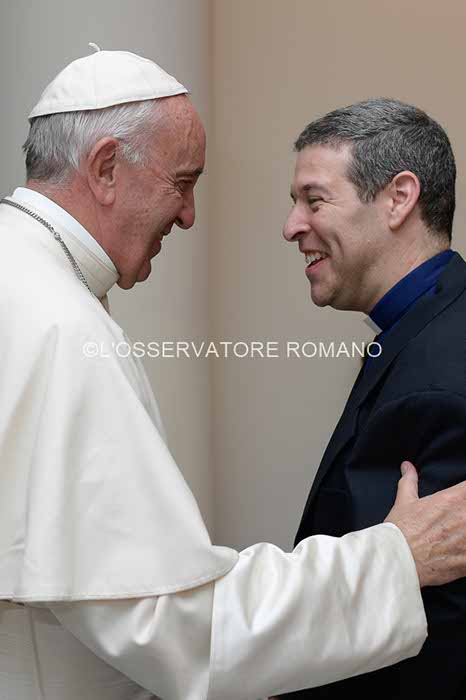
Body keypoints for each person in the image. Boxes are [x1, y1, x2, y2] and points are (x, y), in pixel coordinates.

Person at [0, 50, 466, 700]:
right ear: (106, 167)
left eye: (314, 200)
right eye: (182, 182)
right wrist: (396, 561)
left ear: (399, 199)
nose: (189, 215)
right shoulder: (56, 323)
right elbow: (176, 628)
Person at [281, 98, 466, 700]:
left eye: (314, 200)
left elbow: (438, 636)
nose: (292, 226)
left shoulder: (443, 373)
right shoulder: (422, 328)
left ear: (398, 198)